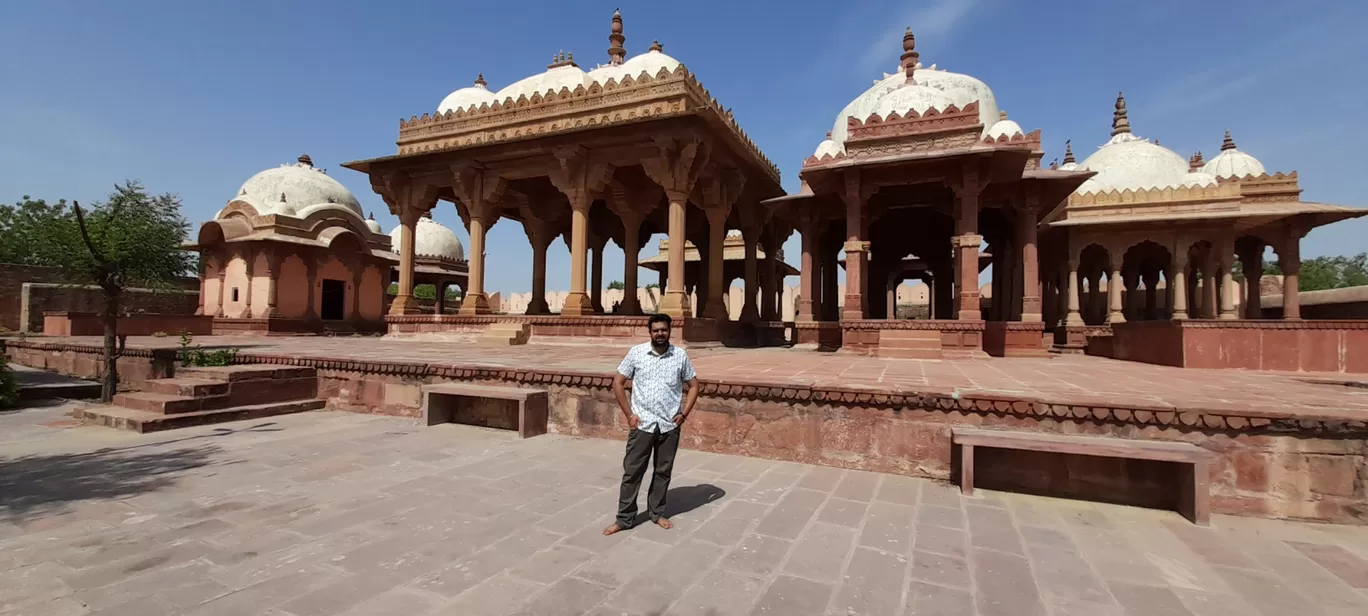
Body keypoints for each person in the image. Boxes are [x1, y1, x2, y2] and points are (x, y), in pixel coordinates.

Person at [603, 313, 699, 535]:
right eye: (656, 330)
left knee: (663, 471)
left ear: (669, 331)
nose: (660, 334)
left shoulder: (679, 356)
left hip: (669, 425)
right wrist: (629, 415)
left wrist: (684, 414)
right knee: (632, 472)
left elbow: (694, 385)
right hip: (643, 424)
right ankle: (625, 518)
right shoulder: (637, 353)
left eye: (663, 330)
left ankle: (657, 513)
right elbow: (618, 382)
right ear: (650, 333)